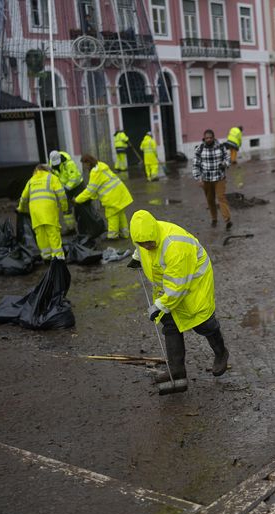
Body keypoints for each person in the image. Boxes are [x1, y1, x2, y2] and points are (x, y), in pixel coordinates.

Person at [127, 209, 230, 394]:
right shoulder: (143, 236)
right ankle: (176, 371)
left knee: (202, 323)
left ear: (154, 234)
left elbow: (177, 287)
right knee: (170, 324)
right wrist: (136, 257)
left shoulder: (174, 246)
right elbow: (141, 248)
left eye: (149, 243)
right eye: (142, 244)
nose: (147, 246)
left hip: (193, 284)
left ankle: (221, 352)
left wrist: (159, 306)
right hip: (171, 285)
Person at [16, 164, 68, 261]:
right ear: (47, 170)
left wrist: (21, 209)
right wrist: (65, 207)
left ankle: (46, 256)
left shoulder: (31, 180)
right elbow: (62, 194)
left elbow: (23, 198)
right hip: (49, 211)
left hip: (35, 212)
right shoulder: (52, 178)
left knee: (41, 235)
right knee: (53, 233)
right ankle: (59, 257)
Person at [77, 154, 134, 239]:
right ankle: (125, 233)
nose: (84, 167)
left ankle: (112, 236)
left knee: (112, 215)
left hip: (111, 196)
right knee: (120, 214)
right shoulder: (101, 166)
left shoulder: (95, 172)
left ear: (88, 163)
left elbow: (90, 190)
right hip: (119, 192)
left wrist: (77, 199)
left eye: (84, 164)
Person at [192, 129, 232, 230]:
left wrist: (225, 164)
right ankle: (214, 218)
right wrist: (198, 178)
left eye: (210, 138)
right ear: (204, 138)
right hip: (206, 180)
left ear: (214, 138)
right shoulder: (199, 149)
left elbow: (228, 158)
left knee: (221, 197)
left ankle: (227, 220)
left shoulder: (221, 146)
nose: (208, 139)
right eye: (206, 138)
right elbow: (195, 165)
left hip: (219, 178)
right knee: (210, 200)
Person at [49, 150, 84, 234]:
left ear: (60, 158)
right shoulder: (52, 164)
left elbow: (74, 178)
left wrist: (66, 189)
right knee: (66, 208)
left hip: (77, 186)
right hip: (65, 188)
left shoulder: (69, 163)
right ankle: (71, 228)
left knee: (80, 206)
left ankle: (84, 228)